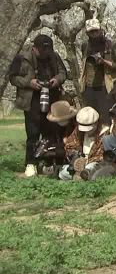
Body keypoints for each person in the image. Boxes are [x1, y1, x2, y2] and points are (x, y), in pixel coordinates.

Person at [8, 34, 67, 177]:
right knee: (33, 133)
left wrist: (57, 80)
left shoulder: (54, 56)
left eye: (48, 50)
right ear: (34, 48)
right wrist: (29, 83)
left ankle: (47, 163)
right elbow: (12, 77)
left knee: (51, 132)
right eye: (42, 50)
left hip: (51, 98)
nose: (46, 53)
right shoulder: (22, 58)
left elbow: (63, 72)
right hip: (31, 100)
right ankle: (31, 163)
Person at [79, 19, 116, 124]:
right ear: (87, 33)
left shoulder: (111, 45)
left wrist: (105, 62)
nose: (94, 34)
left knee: (106, 119)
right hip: (89, 88)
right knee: (90, 119)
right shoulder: (85, 46)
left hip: (106, 88)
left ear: (101, 30)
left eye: (96, 31)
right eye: (91, 32)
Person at [60, 106, 110, 180]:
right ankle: (80, 177)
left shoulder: (106, 133)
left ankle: (84, 176)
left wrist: (86, 162)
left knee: (91, 169)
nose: (86, 131)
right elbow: (70, 145)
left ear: (96, 123)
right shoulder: (79, 132)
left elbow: (104, 156)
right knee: (63, 172)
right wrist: (75, 158)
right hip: (79, 162)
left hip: (94, 164)